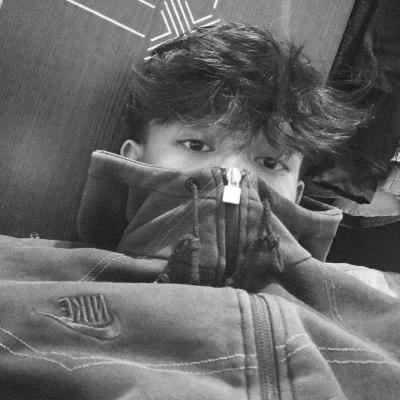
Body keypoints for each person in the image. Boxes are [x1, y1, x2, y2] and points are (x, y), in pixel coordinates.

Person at [1, 21, 400, 399]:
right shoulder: (17, 274)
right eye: (196, 145)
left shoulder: (378, 319)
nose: (234, 175)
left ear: (296, 194)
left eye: (270, 161)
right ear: (134, 161)